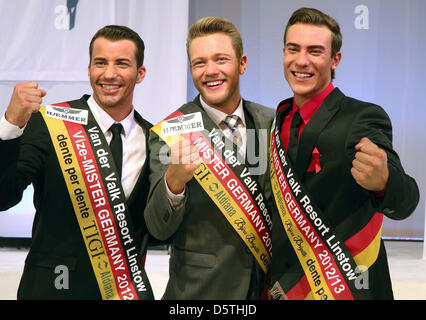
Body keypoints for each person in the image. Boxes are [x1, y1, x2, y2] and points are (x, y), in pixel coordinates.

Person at [269, 7, 419, 300]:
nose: (301, 61)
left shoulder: (362, 117)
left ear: (335, 59)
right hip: (286, 285)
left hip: (346, 285)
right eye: (293, 49)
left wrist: (386, 181)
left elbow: (406, 199)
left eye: (315, 51)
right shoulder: (278, 118)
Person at [0, 25, 155, 300]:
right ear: (88, 69)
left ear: (140, 73)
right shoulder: (51, 123)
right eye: (100, 63)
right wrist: (10, 125)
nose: (109, 74)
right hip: (52, 289)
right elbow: (2, 197)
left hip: (123, 293)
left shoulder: (155, 140)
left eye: (122, 63)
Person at [144, 17, 275, 299]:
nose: (210, 71)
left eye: (221, 59)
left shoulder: (272, 122)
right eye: (199, 62)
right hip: (201, 293)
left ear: (242, 63)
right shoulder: (171, 133)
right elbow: (158, 228)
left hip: (266, 288)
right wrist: (173, 184)